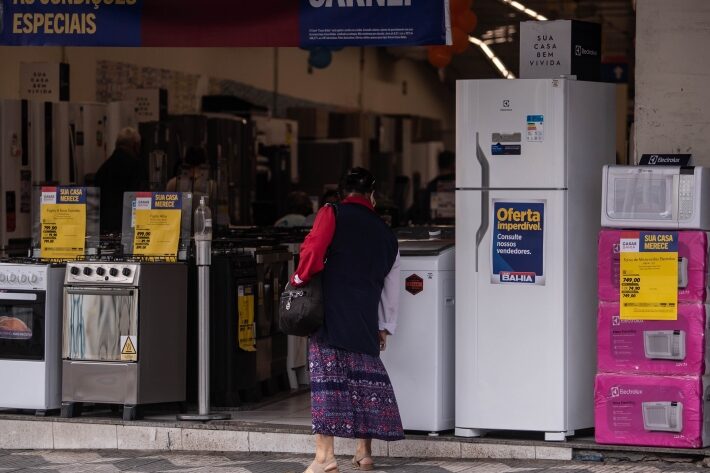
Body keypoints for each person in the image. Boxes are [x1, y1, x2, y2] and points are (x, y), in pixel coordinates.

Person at [291, 167, 403, 473]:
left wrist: (298, 278)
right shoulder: (386, 233)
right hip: (365, 318)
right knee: (363, 383)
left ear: (342, 193)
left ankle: (325, 457)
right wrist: (385, 326)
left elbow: (314, 249)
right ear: (372, 195)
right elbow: (392, 286)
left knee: (328, 383)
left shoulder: (332, 213)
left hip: (331, 314)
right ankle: (364, 452)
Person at [94, 127, 146, 234]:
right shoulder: (136, 167)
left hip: (104, 229)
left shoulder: (103, 169)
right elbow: (139, 200)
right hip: (127, 228)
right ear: (135, 146)